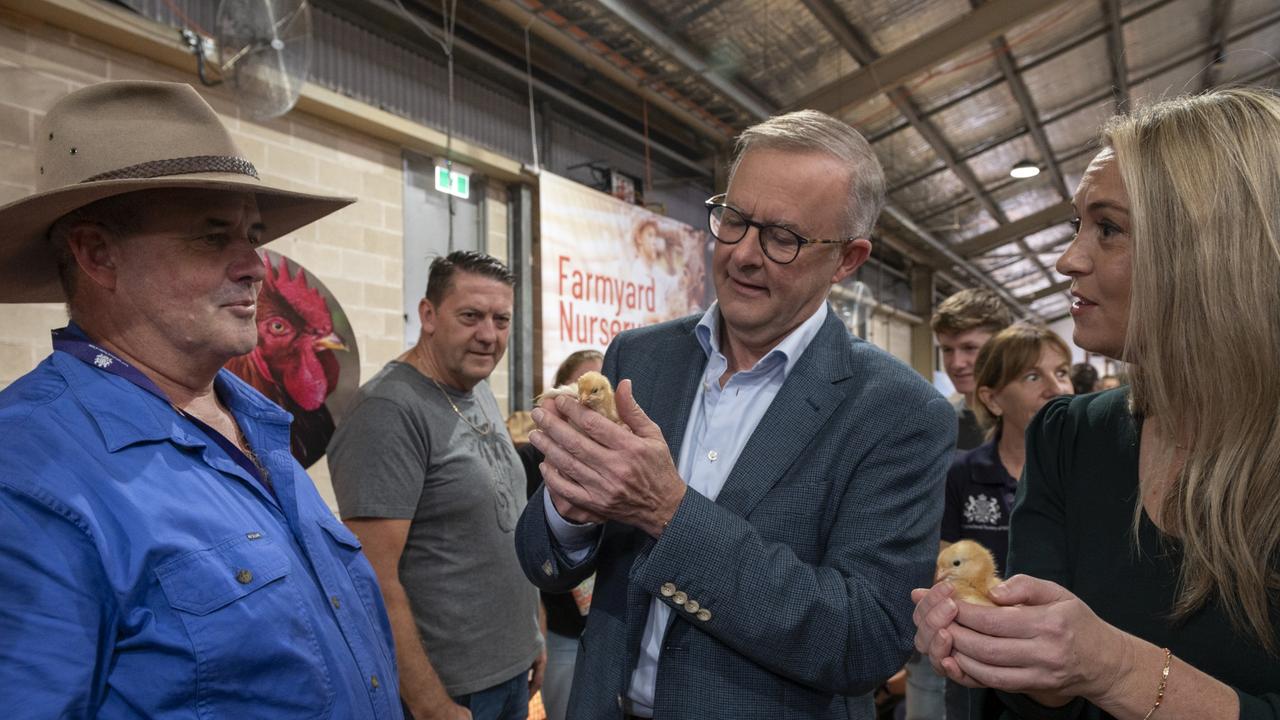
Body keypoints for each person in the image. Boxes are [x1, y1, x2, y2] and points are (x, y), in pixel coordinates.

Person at [517, 109, 956, 720]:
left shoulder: (897, 412)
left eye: (783, 237)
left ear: (848, 259)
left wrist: (666, 510)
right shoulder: (638, 356)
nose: (744, 254)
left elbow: (863, 640)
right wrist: (569, 509)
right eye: (734, 220)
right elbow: (544, 557)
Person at [0, 80, 401, 718]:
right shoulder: (27, 476)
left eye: (253, 235)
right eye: (213, 238)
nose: (255, 266)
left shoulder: (254, 422)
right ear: (98, 254)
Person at [913, 87, 1280, 719]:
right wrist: (983, 636)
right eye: (1077, 225)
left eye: (1108, 229)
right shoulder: (1067, 435)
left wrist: (1114, 666)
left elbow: (1087, 662)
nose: (1066, 259)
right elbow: (1038, 692)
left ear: (1209, 250)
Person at [327, 251, 543, 720]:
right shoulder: (388, 412)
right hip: (451, 693)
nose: (488, 335)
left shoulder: (476, 387)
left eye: (500, 319)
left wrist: (533, 632)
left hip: (508, 672)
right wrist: (429, 704)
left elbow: (504, 525)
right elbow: (371, 578)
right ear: (428, 315)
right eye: (471, 317)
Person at [939, 323, 1072, 717]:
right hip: (977, 668)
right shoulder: (961, 474)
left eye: (1061, 372)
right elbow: (943, 570)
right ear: (993, 399)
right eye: (1033, 376)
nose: (1056, 388)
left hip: (1062, 674)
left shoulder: (1084, 478)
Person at [516, 349, 604, 720]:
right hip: (562, 632)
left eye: (599, 390)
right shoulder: (530, 459)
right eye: (577, 389)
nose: (588, 403)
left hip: (608, 632)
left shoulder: (621, 464)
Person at [932, 288, 1015, 451]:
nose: (957, 363)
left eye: (969, 348)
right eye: (947, 350)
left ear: (1003, 347)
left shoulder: (1029, 421)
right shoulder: (940, 427)